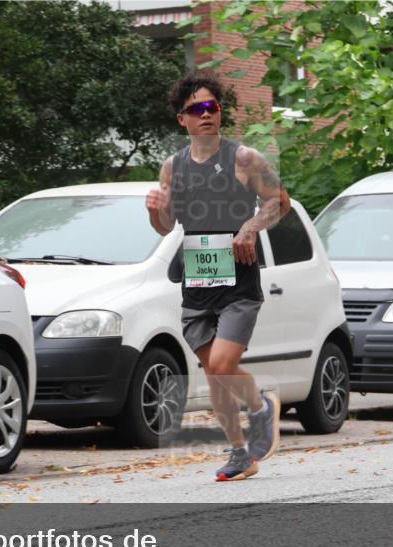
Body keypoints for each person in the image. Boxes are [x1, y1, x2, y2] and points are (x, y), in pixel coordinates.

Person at [145, 70, 291, 481]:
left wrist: (250, 227)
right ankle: (240, 453)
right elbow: (165, 226)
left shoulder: (243, 159)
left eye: (212, 107)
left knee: (225, 364)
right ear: (182, 119)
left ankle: (260, 407)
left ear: (220, 112)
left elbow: (279, 201)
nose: (206, 114)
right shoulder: (172, 167)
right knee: (214, 374)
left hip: (238, 283)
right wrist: (154, 209)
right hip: (197, 284)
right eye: (196, 109)